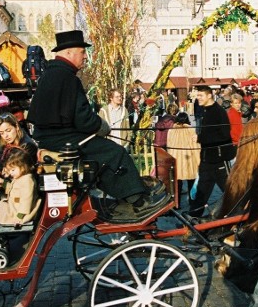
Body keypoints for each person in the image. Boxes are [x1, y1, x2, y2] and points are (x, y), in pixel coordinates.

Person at [26, 30, 169, 219]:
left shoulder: (52, 74)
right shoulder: (67, 77)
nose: (85, 56)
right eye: (82, 52)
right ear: (69, 52)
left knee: (105, 151)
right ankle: (137, 201)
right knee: (114, 152)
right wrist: (101, 126)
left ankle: (125, 197)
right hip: (63, 140)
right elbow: (83, 118)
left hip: (53, 138)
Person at [190, 85, 236, 218]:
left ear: (209, 96)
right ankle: (193, 218)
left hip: (219, 158)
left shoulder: (218, 111)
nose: (198, 98)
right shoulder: (203, 110)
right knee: (201, 192)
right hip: (206, 158)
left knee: (230, 191)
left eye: (201, 95)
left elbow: (224, 135)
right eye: (197, 95)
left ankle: (238, 215)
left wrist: (200, 138)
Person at [0, 148, 39, 226]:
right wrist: (3, 183)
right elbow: (14, 188)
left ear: (23, 167)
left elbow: (26, 200)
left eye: (13, 170)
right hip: (15, 208)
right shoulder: (19, 177)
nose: (10, 173)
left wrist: (19, 216)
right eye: (9, 170)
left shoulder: (27, 180)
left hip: (20, 213)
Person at [0, 113, 37, 183]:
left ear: (16, 127)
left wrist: (4, 181)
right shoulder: (7, 146)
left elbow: (20, 174)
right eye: (2, 133)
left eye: (8, 130)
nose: (6, 136)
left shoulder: (27, 146)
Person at [166, 111, 199, 205]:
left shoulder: (171, 131)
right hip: (189, 159)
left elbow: (169, 145)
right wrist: (198, 160)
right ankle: (192, 202)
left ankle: (177, 203)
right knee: (191, 182)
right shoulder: (191, 130)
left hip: (176, 160)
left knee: (177, 184)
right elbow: (196, 146)